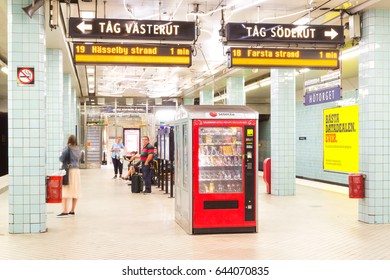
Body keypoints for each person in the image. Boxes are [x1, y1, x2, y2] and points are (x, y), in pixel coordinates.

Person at [57, 135, 81, 217]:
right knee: (75, 191)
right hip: (76, 171)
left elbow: (61, 159)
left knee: (65, 191)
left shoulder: (67, 148)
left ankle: (64, 210)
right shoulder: (78, 149)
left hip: (69, 171)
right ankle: (72, 210)